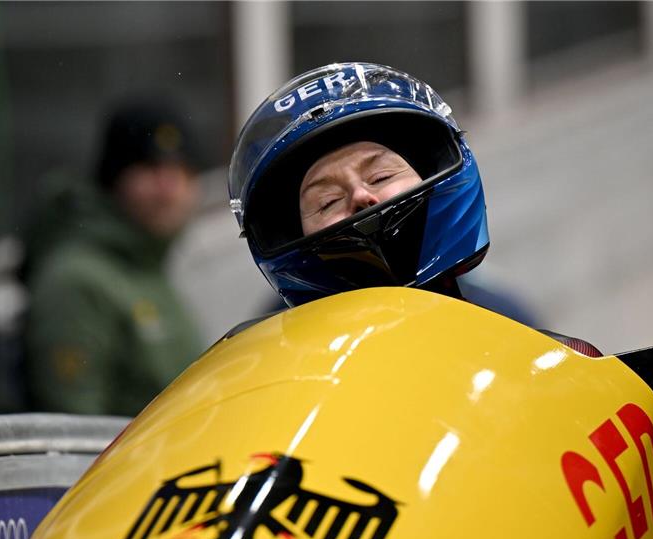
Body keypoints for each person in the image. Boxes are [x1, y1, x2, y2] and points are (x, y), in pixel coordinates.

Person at [228, 62, 600, 356]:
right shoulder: (272, 363)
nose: (361, 196)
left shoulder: (531, 343)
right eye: (327, 201)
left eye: (380, 176)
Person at [22, 99, 204, 416]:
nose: (169, 189)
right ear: (114, 180)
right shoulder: (77, 281)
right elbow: (74, 426)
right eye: (151, 169)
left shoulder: (148, 269)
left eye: (183, 171)